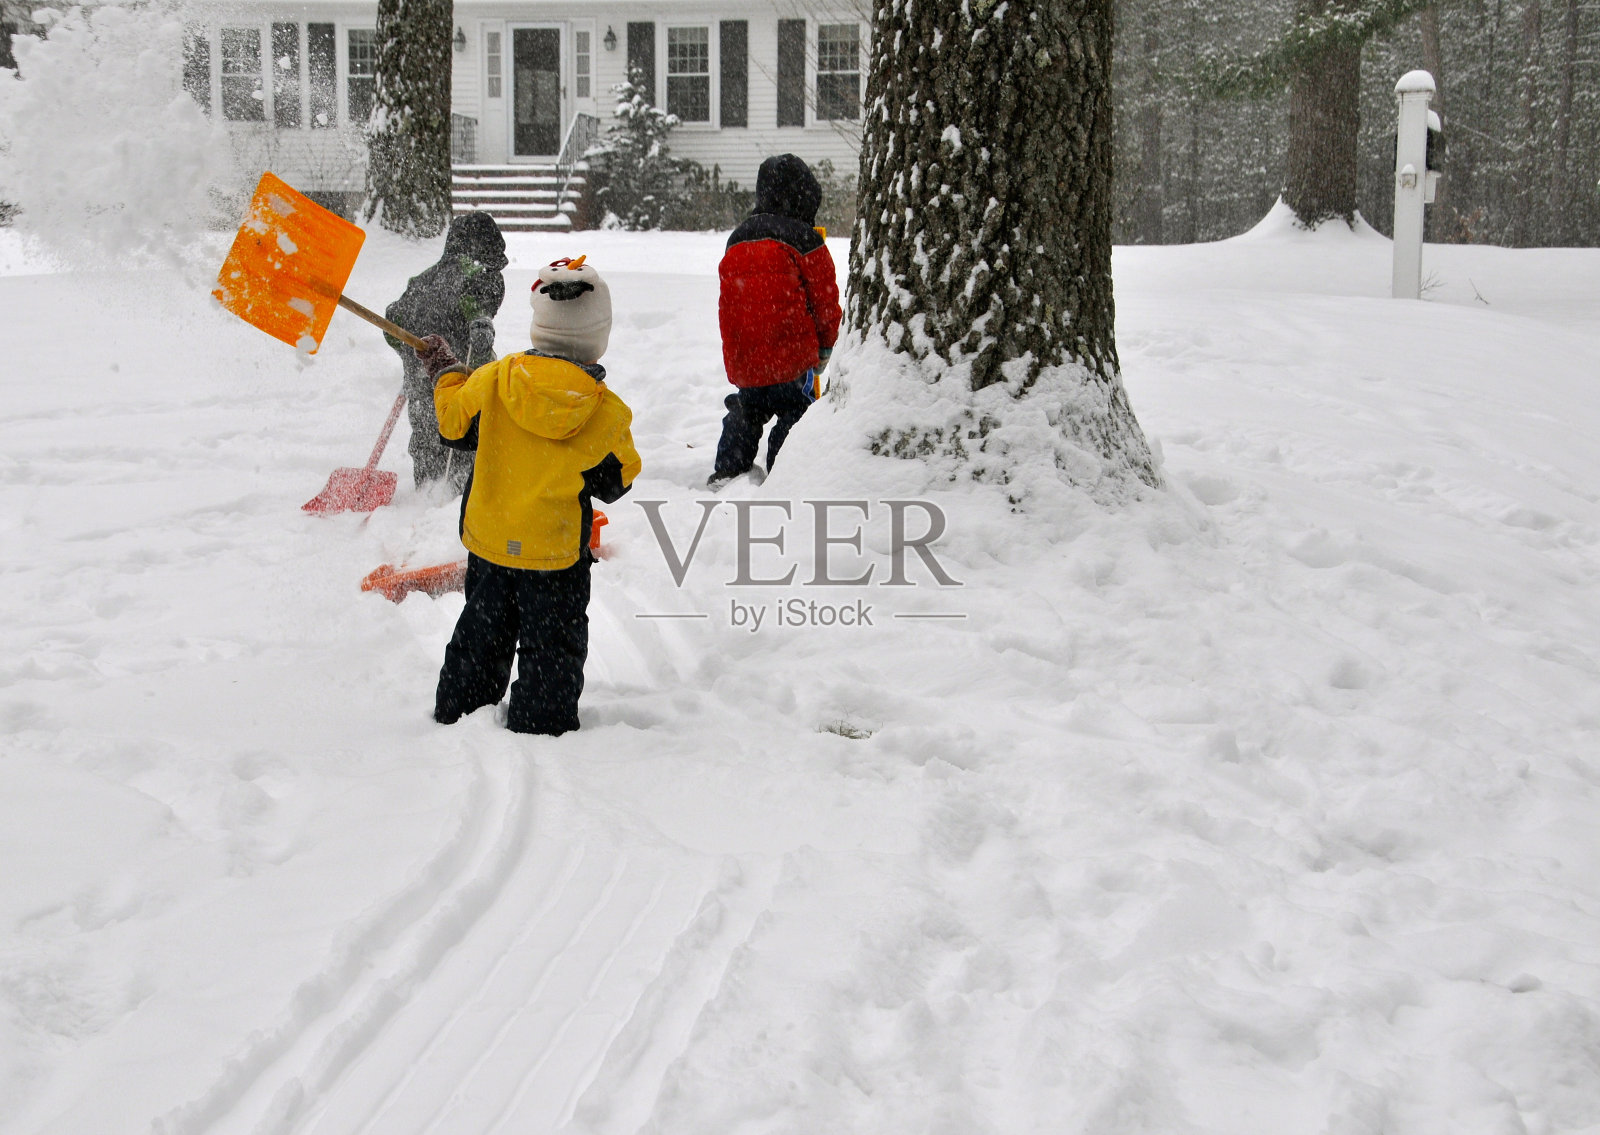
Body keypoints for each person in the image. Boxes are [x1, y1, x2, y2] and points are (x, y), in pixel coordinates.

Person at [415, 256, 641, 736]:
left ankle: (461, 708)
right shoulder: (605, 412)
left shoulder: (496, 379)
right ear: (597, 337)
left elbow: (454, 424)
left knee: (482, 632)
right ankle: (543, 720)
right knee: (553, 644)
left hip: (492, 542)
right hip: (556, 555)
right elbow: (616, 481)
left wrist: (446, 372)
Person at [708, 153, 842, 490]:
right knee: (796, 409)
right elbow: (825, 300)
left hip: (745, 353)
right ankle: (785, 471)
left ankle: (728, 468)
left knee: (747, 409)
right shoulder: (805, 239)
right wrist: (825, 346)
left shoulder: (737, 238)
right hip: (791, 351)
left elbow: (733, 300)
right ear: (805, 199)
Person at [386, 211, 509, 494]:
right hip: (462, 375)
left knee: (428, 437)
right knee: (466, 434)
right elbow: (479, 308)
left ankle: (428, 489)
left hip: (420, 377)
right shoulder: (482, 277)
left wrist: (405, 344)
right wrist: (481, 324)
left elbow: (393, 326)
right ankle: (464, 493)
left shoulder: (421, 282)